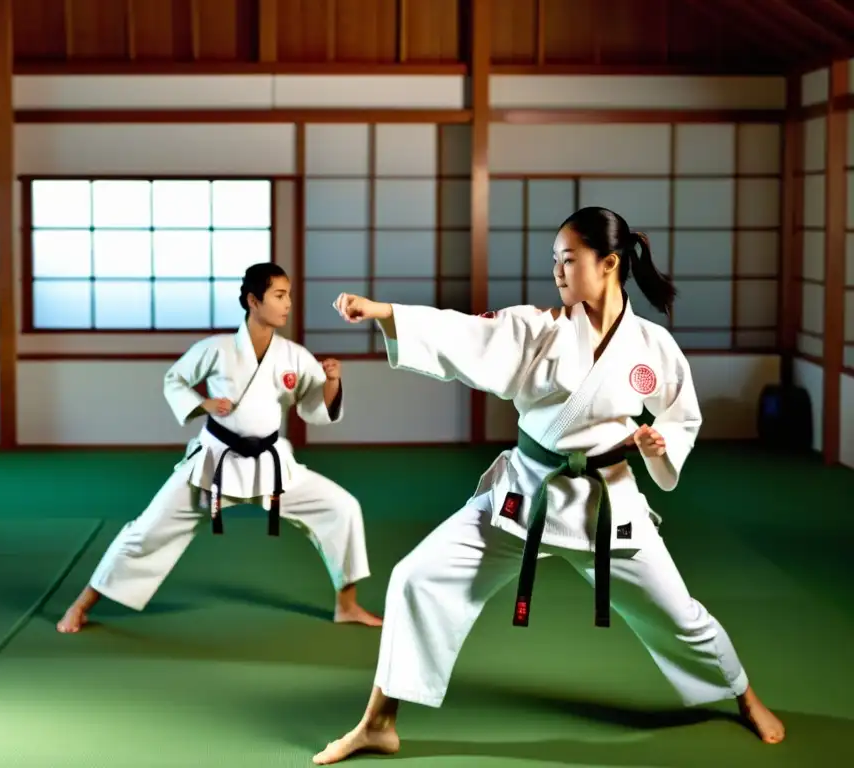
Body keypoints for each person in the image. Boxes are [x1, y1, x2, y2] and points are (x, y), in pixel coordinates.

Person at [311, 206, 785, 764]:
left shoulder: (652, 346)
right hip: (526, 496)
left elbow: (680, 417)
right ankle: (378, 722)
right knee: (416, 576)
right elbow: (467, 332)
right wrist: (387, 313)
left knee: (680, 615)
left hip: (607, 504)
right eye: (554, 261)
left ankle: (744, 694)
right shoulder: (539, 326)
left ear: (609, 263)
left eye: (569, 260)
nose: (558, 272)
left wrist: (659, 443)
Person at [57, 262, 381, 633]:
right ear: (253, 301)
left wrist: (333, 382)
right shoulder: (217, 349)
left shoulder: (293, 356)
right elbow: (175, 379)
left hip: (271, 465)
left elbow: (315, 406)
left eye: (288, 294)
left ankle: (347, 605)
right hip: (213, 464)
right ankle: (81, 606)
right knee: (146, 530)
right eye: (279, 295)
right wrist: (205, 404)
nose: (288, 303)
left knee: (342, 507)